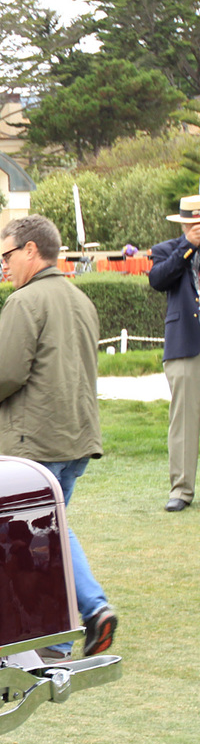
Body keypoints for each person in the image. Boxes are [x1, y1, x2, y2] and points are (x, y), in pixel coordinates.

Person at [0, 214, 116, 658]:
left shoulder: (24, 302)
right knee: (53, 529)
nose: (2, 264)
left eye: (5, 255)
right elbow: (53, 361)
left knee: (35, 539)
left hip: (37, 439)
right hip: (77, 434)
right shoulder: (79, 299)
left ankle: (70, 628)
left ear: (30, 250)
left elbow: (9, 375)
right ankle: (83, 618)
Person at [147, 195, 200, 512]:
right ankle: (181, 490)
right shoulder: (168, 249)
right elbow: (158, 279)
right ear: (182, 223)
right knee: (183, 420)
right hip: (184, 344)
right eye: (192, 223)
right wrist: (188, 247)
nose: (197, 227)